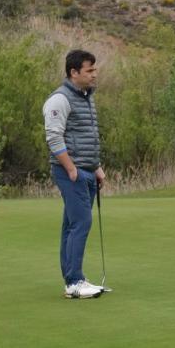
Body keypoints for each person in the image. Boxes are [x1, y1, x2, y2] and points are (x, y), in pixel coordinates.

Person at [43, 49, 107, 299]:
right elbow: (54, 137)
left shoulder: (86, 96)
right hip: (71, 172)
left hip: (87, 170)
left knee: (71, 224)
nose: (94, 74)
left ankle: (73, 279)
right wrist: (71, 169)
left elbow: (87, 137)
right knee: (81, 222)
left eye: (94, 69)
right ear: (74, 72)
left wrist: (97, 166)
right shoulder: (59, 99)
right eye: (89, 70)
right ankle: (73, 281)